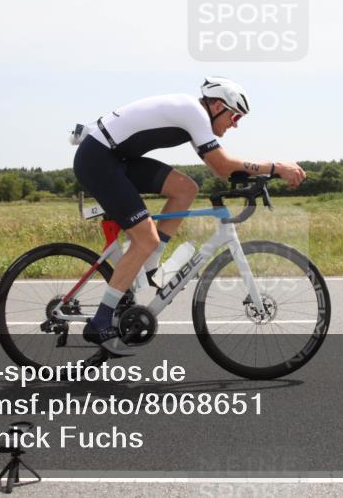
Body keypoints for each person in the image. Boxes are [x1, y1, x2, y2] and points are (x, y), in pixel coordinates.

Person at [72, 77, 306, 355]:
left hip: (114, 158)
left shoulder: (194, 116)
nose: (235, 124)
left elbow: (219, 170)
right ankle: (100, 322)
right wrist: (276, 167)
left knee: (185, 189)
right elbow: (223, 164)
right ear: (217, 106)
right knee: (144, 239)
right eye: (234, 116)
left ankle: (150, 267)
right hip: (99, 160)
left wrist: (259, 177)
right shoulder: (194, 113)